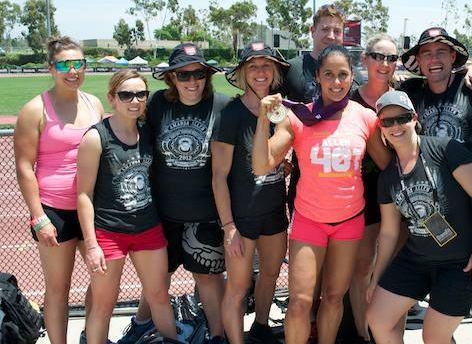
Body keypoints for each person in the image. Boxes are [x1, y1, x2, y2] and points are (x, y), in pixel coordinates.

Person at [253, 45, 390, 344]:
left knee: (332, 297)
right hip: (309, 222)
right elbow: (262, 164)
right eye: (329, 74)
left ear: (352, 76)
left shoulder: (365, 118)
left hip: (350, 222)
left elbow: (388, 165)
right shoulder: (300, 118)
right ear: (317, 77)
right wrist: (264, 119)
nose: (337, 82)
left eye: (343, 75)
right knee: (300, 302)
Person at [117, 43, 230, 344]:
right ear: (171, 79)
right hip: (163, 212)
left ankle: (217, 335)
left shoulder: (223, 105)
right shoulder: (157, 105)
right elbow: (132, 140)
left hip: (205, 213)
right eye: (183, 76)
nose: (192, 82)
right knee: (158, 278)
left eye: (198, 74)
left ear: (207, 75)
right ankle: (141, 324)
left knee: (207, 277)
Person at [366, 91, 472, 344]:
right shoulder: (388, 177)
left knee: (434, 337)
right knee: (378, 320)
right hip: (417, 259)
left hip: (459, 262)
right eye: (387, 122)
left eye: (401, 118)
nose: (395, 126)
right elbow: (390, 233)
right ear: (380, 127)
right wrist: (376, 278)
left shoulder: (446, 150)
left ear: (414, 118)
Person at [400, 27, 472, 344]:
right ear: (419, 61)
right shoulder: (413, 93)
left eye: (441, 52)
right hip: (433, 203)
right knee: (439, 274)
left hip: (471, 202)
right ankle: (446, 335)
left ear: (453, 57)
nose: (434, 59)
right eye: (426, 53)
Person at [14, 36, 104, 344]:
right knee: (58, 289)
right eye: (65, 64)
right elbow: (25, 167)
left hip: (91, 207)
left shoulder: (93, 103)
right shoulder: (34, 109)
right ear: (51, 68)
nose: (73, 71)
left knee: (102, 280)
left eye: (79, 63)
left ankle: (92, 336)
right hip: (55, 211)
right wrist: (39, 218)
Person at [76, 70, 177, 344]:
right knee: (103, 304)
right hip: (109, 233)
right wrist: (92, 244)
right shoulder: (96, 138)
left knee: (158, 296)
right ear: (112, 99)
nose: (135, 100)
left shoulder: (148, 133)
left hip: (148, 228)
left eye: (141, 94)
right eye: (126, 95)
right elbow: (83, 194)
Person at [212, 42, 290, 344]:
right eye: (253, 66)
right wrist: (229, 227)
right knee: (238, 287)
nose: (260, 72)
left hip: (273, 212)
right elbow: (219, 176)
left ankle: (260, 327)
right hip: (242, 218)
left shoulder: (279, 111)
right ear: (243, 73)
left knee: (270, 275)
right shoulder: (231, 113)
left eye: (266, 66)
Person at [347, 33, 398, 343]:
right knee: (361, 269)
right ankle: (362, 333)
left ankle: (391, 331)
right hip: (360, 199)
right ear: (365, 59)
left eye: (391, 58)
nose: (384, 63)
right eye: (378, 56)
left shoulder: (403, 96)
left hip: (397, 197)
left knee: (393, 269)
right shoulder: (347, 100)